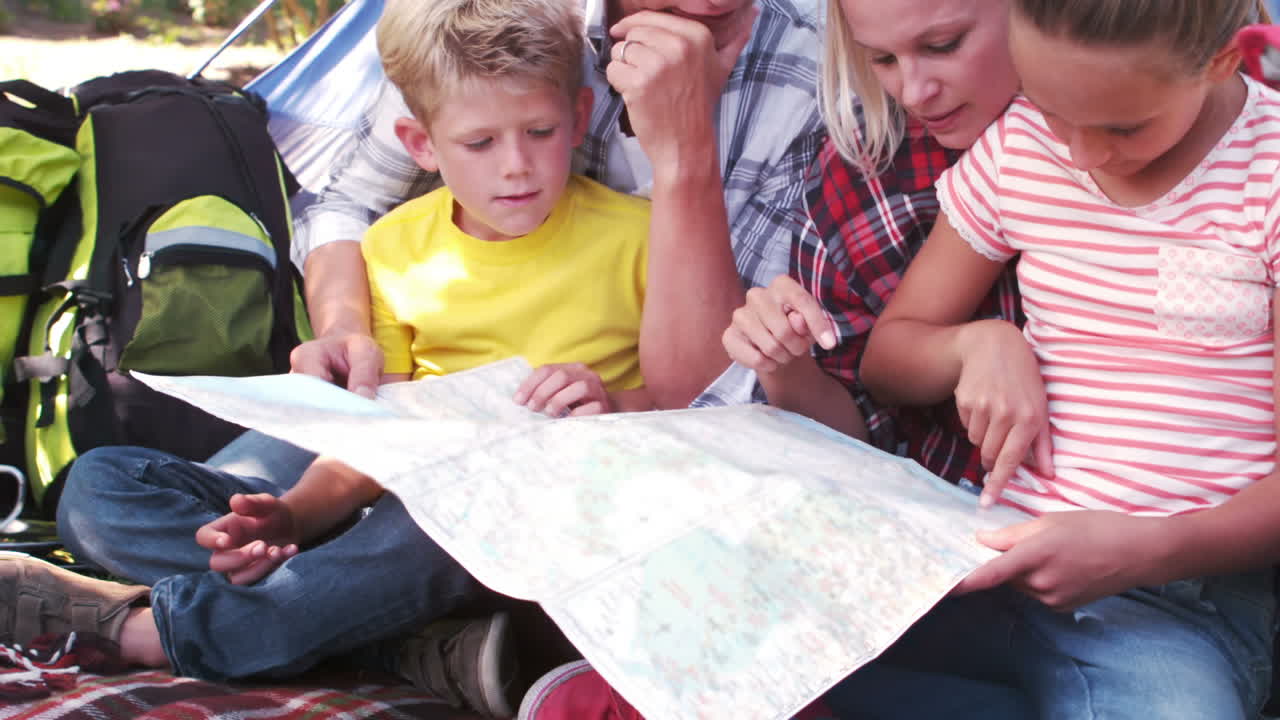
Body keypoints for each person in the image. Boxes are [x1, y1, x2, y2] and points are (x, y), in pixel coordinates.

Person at [16, 2, 653, 719]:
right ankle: (379, 635)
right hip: (388, 479)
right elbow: (380, 438)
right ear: (421, 144)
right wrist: (291, 519)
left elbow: (690, 397)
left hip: (510, 515)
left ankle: (160, 632)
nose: (516, 165)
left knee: (426, 530)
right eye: (479, 143)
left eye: (541, 132)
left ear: (579, 113)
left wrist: (615, 397)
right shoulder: (394, 250)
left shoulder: (640, 238)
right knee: (98, 489)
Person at [846, 0, 1279, 717]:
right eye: (1051, 108)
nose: (1078, 155)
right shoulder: (1020, 147)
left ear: (1222, 61)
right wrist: (977, 341)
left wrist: (1148, 549)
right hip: (982, 560)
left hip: (1177, 604)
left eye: (1121, 126)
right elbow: (889, 357)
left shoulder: (1263, 175)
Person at [289, 0, 825, 412]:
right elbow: (350, 200)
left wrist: (687, 157)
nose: (714, 5)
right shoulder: (483, 22)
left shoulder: (817, 66)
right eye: (482, 143)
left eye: (541, 131)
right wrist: (343, 329)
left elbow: (720, 391)